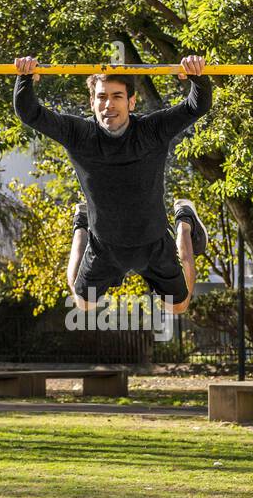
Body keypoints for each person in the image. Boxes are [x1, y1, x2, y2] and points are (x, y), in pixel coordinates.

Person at [12, 54, 212, 314]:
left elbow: (197, 106)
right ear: (92, 102)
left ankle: (184, 221)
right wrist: (24, 77)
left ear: (131, 101)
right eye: (102, 97)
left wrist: (197, 76)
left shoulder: (151, 129)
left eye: (117, 96)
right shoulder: (78, 134)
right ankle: (81, 223)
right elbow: (30, 113)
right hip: (104, 245)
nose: (109, 105)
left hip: (153, 242)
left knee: (178, 307)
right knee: (82, 303)